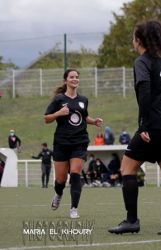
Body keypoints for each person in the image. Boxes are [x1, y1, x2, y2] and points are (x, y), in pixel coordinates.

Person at [108, 20, 161, 235]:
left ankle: (132, 220)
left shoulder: (143, 62)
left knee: (127, 168)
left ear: (139, 40)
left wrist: (144, 125)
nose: (132, 41)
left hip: (155, 125)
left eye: (134, 37)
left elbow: (145, 93)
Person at [44, 68, 103, 219]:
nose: (75, 79)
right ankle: (58, 194)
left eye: (77, 77)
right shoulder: (58, 99)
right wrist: (58, 113)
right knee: (61, 180)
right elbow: (46, 119)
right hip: (61, 143)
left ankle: (74, 208)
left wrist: (94, 121)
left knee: (76, 173)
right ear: (66, 81)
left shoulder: (83, 100)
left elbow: (84, 117)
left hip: (79, 142)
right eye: (72, 77)